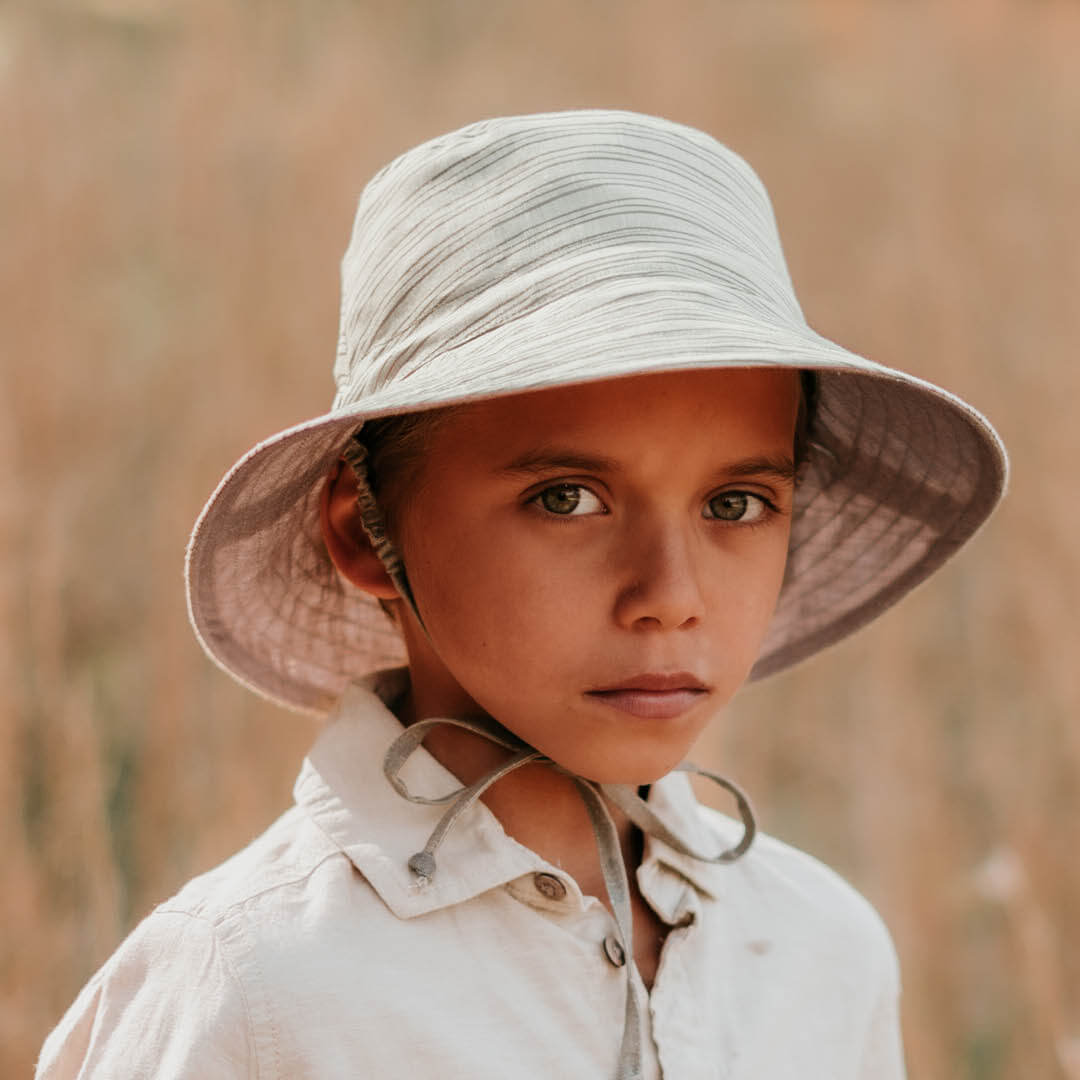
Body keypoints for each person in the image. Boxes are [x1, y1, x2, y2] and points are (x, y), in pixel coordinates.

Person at [36, 110, 1007, 1080]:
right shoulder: (257, 990)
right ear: (362, 533)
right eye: (567, 498)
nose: (669, 597)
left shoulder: (818, 952)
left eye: (737, 502)